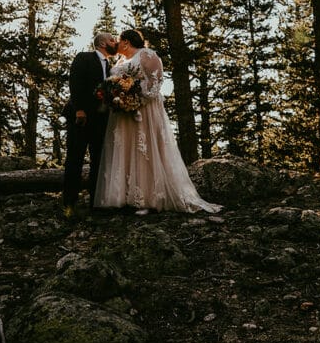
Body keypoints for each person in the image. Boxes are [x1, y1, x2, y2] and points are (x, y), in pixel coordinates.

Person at [93, 29, 221, 214]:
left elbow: (156, 82)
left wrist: (135, 100)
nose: (116, 45)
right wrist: (119, 99)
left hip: (145, 111)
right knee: (127, 150)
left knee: (144, 151)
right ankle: (124, 196)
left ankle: (147, 199)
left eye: (118, 41)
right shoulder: (121, 61)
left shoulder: (146, 54)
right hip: (124, 115)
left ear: (126, 42)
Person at [61, 32, 118, 218]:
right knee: (74, 159)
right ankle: (69, 203)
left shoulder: (111, 67)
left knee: (99, 161)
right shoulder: (84, 57)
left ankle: (96, 202)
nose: (115, 43)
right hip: (80, 118)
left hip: (100, 121)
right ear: (102, 43)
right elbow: (75, 82)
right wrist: (79, 109)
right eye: (112, 40)